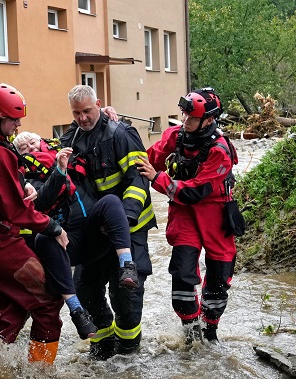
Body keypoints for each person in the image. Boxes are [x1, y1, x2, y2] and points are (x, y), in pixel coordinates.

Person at [0, 83, 95, 366]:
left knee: (12, 304)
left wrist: (23, 184)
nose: (17, 125)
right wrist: (53, 227)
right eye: (12, 119)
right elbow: (15, 211)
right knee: (48, 300)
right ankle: (39, 376)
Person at [60, 85, 156, 359]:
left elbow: (138, 181)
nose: (83, 118)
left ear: (99, 105)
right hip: (95, 231)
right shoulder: (72, 138)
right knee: (84, 288)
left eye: (87, 111)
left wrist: (124, 218)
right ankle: (102, 346)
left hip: (130, 227)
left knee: (126, 292)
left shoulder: (121, 133)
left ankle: (128, 354)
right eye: (76, 113)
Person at [136, 87, 238, 344]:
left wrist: (158, 179)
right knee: (181, 273)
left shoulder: (220, 151)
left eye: (191, 118)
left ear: (209, 119)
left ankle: (210, 329)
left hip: (215, 213)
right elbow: (149, 158)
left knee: (218, 278)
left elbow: (197, 191)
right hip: (184, 213)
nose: (185, 121)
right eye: (184, 115)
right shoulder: (176, 135)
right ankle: (190, 330)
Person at [15, 142, 139, 290]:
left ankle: (127, 265)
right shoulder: (26, 179)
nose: (30, 148)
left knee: (111, 201)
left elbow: (81, 127)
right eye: (23, 148)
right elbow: (41, 201)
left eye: (33, 142)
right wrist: (60, 171)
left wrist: (103, 117)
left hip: (95, 234)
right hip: (67, 243)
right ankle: (75, 309)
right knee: (86, 295)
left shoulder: (69, 157)